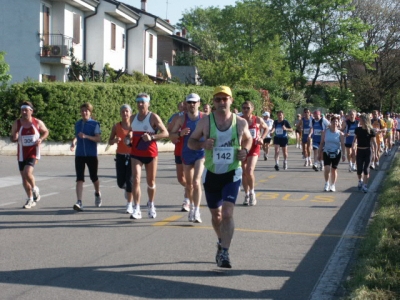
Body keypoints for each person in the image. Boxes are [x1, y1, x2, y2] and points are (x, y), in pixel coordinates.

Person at [188, 86, 252, 268]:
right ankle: (221, 241)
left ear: (231, 100)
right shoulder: (205, 123)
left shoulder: (240, 123)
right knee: (216, 216)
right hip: (212, 173)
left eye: (225, 99)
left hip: (232, 172)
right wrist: (202, 143)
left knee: (227, 213)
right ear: (213, 102)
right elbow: (191, 143)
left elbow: (248, 139)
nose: (222, 102)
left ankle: (224, 251)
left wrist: (245, 150)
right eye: (218, 99)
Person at [128, 93, 169, 219]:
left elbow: (165, 133)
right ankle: (137, 208)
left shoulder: (153, 117)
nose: (140, 104)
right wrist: (128, 138)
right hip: (136, 153)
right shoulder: (133, 117)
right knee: (136, 179)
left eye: (143, 102)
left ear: (148, 103)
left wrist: (151, 137)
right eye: (138, 102)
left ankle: (151, 204)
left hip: (150, 153)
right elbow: (130, 131)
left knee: (151, 182)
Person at [170, 93, 205, 222]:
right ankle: (191, 208)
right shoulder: (181, 119)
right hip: (186, 153)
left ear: (199, 103)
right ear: (186, 104)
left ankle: (196, 211)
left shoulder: (205, 118)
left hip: (200, 153)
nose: (192, 105)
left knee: (196, 182)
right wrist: (180, 133)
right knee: (189, 185)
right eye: (189, 102)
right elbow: (171, 134)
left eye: (194, 102)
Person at [10, 101, 49, 209]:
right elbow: (12, 137)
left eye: (26, 110)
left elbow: (46, 132)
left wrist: (41, 139)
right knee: (23, 178)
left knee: (27, 172)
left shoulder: (37, 122)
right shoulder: (17, 123)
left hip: (33, 152)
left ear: (31, 111)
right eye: (22, 110)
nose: (23, 112)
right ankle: (30, 199)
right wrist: (14, 138)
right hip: (21, 153)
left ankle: (34, 188)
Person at [70, 102, 102, 211]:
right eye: (82, 111)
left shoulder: (95, 124)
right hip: (79, 155)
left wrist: (87, 136)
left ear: (90, 112)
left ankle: (97, 193)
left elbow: (98, 138)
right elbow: (76, 136)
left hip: (91, 155)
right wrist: (73, 142)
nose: (84, 113)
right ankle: (79, 202)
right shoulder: (78, 124)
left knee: (94, 177)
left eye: (86, 111)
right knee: (79, 178)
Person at [240, 101, 268, 206]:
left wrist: (262, 137)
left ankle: (252, 193)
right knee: (244, 173)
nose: (245, 110)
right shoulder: (240, 120)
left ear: (252, 109)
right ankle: (246, 195)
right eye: (244, 108)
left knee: (249, 170)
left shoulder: (258, 119)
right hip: (243, 148)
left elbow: (266, 128)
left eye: (247, 108)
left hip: (254, 147)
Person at [108, 104, 133, 213]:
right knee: (120, 183)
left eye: (127, 111)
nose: (125, 113)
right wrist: (114, 141)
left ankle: (129, 204)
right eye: (123, 111)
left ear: (130, 113)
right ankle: (127, 190)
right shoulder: (116, 126)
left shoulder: (134, 126)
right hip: (120, 156)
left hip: (132, 156)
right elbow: (110, 140)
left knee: (130, 181)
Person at [167, 102, 189, 212]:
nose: (184, 108)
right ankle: (190, 188)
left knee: (190, 178)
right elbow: (169, 132)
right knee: (181, 179)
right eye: (182, 107)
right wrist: (174, 136)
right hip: (179, 151)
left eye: (186, 106)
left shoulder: (195, 118)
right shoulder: (176, 118)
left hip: (191, 151)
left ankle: (187, 201)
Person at [318, 116, 346, 192]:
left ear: (338, 123)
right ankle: (327, 183)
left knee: (334, 169)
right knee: (327, 168)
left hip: (337, 153)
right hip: (327, 152)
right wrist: (319, 154)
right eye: (333, 121)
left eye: (336, 122)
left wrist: (344, 154)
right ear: (331, 122)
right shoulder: (325, 132)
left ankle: (333, 185)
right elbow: (321, 143)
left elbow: (343, 144)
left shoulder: (340, 133)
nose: (335, 123)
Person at [352, 113, 376, 193]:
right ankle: (360, 181)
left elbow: (374, 143)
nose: (359, 120)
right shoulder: (357, 130)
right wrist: (353, 146)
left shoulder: (371, 130)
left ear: (365, 120)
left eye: (361, 119)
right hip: (359, 150)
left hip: (368, 151)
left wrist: (375, 154)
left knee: (366, 169)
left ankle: (365, 185)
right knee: (359, 170)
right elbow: (354, 140)